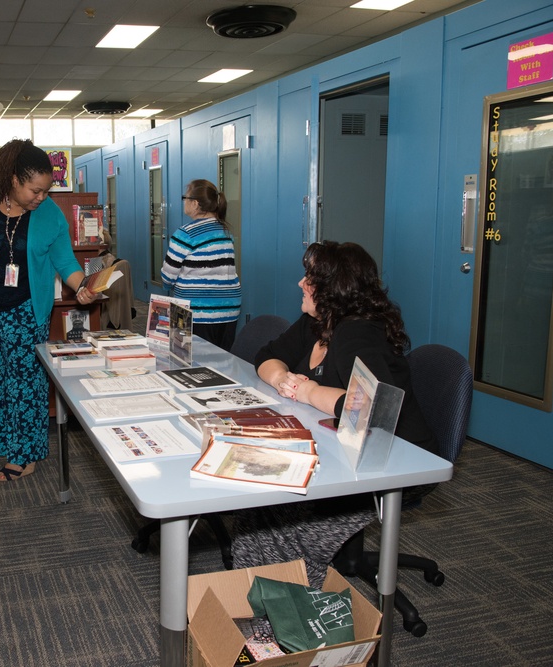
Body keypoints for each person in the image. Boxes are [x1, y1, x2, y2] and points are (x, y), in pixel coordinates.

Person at [233, 240, 436, 584]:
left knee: (284, 524)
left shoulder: (356, 333)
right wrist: (282, 377)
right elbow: (265, 356)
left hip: (395, 458)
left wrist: (309, 391)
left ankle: (293, 607)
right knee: (260, 505)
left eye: (309, 277)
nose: (301, 283)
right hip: (338, 446)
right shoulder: (315, 322)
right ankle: (265, 596)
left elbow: (374, 406)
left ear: (333, 289)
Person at [0, 138, 97, 482]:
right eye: (34, 190)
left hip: (24, 311)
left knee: (24, 384)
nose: (41, 198)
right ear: (12, 178)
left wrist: (81, 286)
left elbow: (65, 260)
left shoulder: (49, 213)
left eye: (45, 190)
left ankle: (24, 455)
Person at [160, 179, 242, 351]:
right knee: (222, 362)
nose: (184, 202)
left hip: (196, 311)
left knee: (189, 364)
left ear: (195, 204)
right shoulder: (226, 232)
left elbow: (167, 277)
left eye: (185, 198)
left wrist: (168, 284)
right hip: (228, 309)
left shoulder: (185, 234)